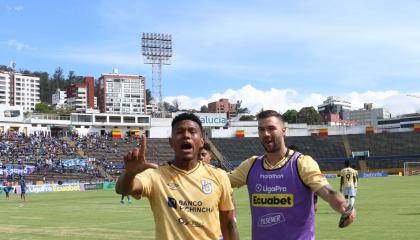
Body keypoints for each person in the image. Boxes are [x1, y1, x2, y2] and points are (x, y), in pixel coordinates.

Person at [228, 110, 356, 240]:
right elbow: (221, 181)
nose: (266, 134)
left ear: (284, 130)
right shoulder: (251, 165)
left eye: (271, 128)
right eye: (261, 130)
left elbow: (327, 192)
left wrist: (342, 205)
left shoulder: (302, 163)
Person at [116, 113, 239, 240]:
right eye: (179, 132)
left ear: (201, 141)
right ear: (171, 141)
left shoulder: (219, 176)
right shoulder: (155, 175)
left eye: (192, 131)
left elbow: (229, 223)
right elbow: (122, 189)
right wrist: (130, 173)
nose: (186, 135)